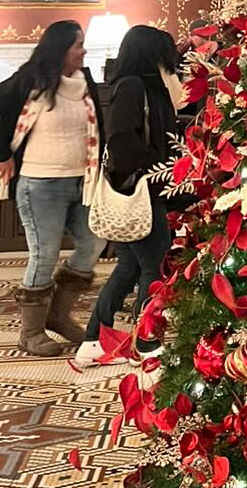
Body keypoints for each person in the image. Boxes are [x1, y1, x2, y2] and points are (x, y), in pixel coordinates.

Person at [0, 18, 102, 356]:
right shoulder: (30, 79)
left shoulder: (86, 82)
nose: (83, 51)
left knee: (92, 244)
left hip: (82, 182)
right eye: (78, 45)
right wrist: (1, 154)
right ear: (60, 49)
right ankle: (30, 333)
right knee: (45, 255)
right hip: (40, 184)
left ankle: (58, 315)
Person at [70, 26, 187, 374]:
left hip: (143, 190)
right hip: (140, 192)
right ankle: (148, 343)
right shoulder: (134, 86)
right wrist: (160, 168)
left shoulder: (149, 86)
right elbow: (122, 140)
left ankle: (93, 340)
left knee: (129, 267)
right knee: (153, 266)